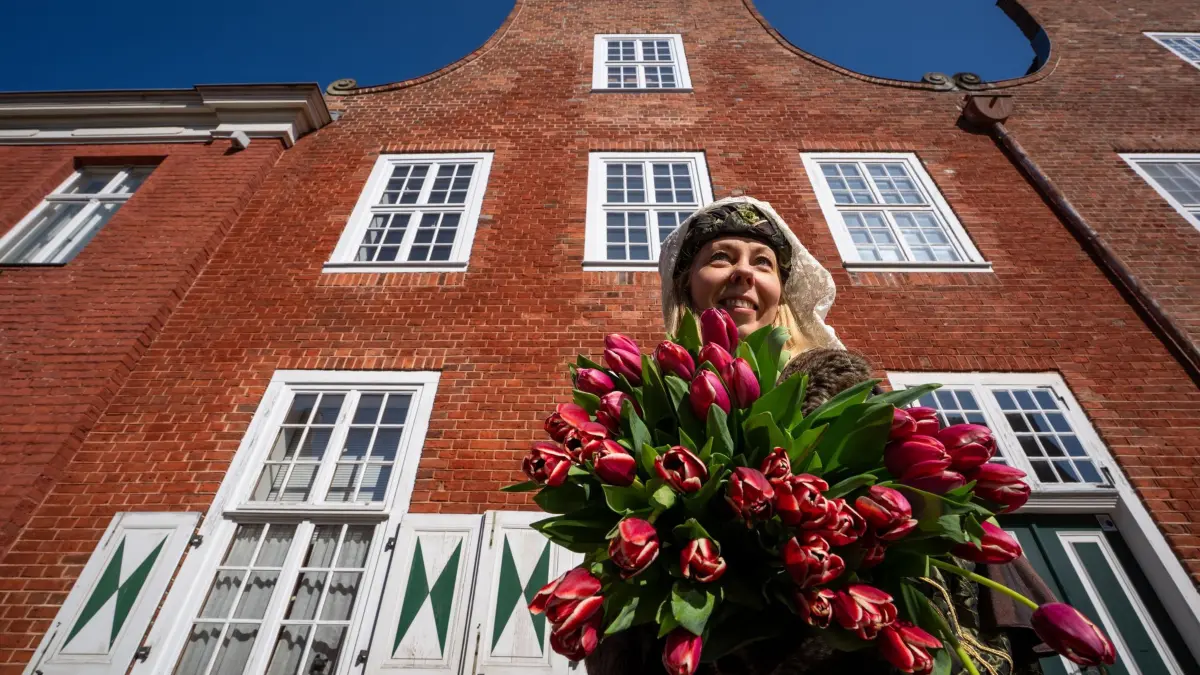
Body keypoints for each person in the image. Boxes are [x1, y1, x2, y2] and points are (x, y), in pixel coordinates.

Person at [585, 197, 1048, 675]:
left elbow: (910, 501)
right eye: (721, 257)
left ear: (781, 291)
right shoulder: (647, 406)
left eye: (761, 263)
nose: (744, 272)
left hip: (849, 639)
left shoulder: (839, 389)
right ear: (686, 283)